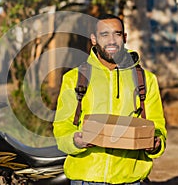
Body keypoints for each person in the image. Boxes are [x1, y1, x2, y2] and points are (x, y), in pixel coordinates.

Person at [53, 14, 167, 185]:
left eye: (117, 34)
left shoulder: (146, 79)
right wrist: (75, 141)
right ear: (93, 39)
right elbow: (62, 127)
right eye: (104, 35)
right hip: (86, 179)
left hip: (130, 179)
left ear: (125, 37)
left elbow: (157, 126)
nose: (112, 40)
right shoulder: (75, 78)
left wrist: (156, 144)